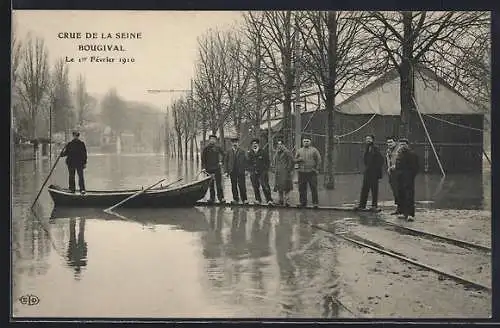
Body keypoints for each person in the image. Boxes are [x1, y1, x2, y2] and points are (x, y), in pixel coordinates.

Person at [354, 134, 384, 211]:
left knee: (374, 189)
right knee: (364, 188)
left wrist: (376, 170)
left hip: (374, 172)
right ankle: (362, 205)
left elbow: (380, 160)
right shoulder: (366, 148)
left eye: (369, 139)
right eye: (366, 139)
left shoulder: (375, 148)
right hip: (367, 172)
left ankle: (374, 205)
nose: (367, 140)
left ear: (372, 140)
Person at [395, 138, 420, 222]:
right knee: (401, 195)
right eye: (401, 144)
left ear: (407, 145)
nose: (402, 146)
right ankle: (402, 212)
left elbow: (416, 168)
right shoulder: (398, 154)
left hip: (408, 178)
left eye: (404, 144)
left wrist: (411, 176)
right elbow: (397, 166)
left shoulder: (412, 154)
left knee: (409, 196)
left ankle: (410, 214)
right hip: (400, 178)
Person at [295, 137, 322, 208]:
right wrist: (298, 161)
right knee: (302, 188)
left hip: (311, 172)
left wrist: (317, 169)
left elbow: (319, 160)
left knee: (313, 187)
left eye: (307, 141)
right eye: (304, 141)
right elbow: (295, 160)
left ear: (310, 142)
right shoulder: (299, 150)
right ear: (302, 142)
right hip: (302, 172)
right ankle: (302, 202)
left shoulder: (314, 150)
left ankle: (315, 203)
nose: (306, 142)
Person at [247, 138, 273, 205]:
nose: (254, 145)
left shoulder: (263, 152)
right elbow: (247, 163)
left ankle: (269, 200)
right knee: (255, 186)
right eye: (253, 144)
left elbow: (267, 162)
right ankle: (258, 200)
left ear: (258, 144)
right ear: (251, 145)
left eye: (256, 143)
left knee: (265, 186)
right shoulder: (249, 153)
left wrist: (265, 170)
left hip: (262, 172)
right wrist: (251, 170)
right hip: (253, 172)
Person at [201, 135, 225, 204]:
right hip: (209, 169)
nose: (212, 140)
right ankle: (212, 198)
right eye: (211, 139)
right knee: (211, 184)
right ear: (209, 140)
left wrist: (221, 162)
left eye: (214, 139)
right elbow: (203, 159)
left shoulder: (218, 148)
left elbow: (224, 154)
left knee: (219, 184)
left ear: (216, 140)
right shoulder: (206, 148)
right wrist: (203, 168)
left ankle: (221, 198)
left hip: (217, 168)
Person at [224, 137, 248, 205]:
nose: (235, 144)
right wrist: (226, 171)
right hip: (232, 171)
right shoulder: (228, 152)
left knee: (242, 185)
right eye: (233, 142)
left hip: (241, 171)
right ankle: (235, 199)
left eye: (236, 142)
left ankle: (244, 199)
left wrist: (246, 170)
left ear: (238, 143)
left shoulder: (242, 151)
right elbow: (225, 162)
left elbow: (246, 161)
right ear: (231, 143)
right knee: (234, 186)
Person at [272, 139, 294, 206]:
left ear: (283, 145)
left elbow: (291, 161)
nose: (279, 146)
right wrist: (274, 168)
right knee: (279, 187)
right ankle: (280, 200)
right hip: (278, 172)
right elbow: (275, 161)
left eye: (281, 144)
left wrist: (289, 170)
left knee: (287, 187)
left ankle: (287, 201)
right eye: (278, 144)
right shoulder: (276, 152)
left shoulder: (287, 152)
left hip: (285, 172)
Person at [386, 136, 401, 214]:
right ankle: (399, 208)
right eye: (388, 142)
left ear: (395, 142)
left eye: (391, 142)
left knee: (400, 191)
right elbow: (388, 161)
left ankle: (403, 209)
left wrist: (395, 166)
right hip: (392, 173)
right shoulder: (388, 151)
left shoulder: (399, 149)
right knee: (395, 191)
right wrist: (389, 168)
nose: (389, 144)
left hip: (399, 172)